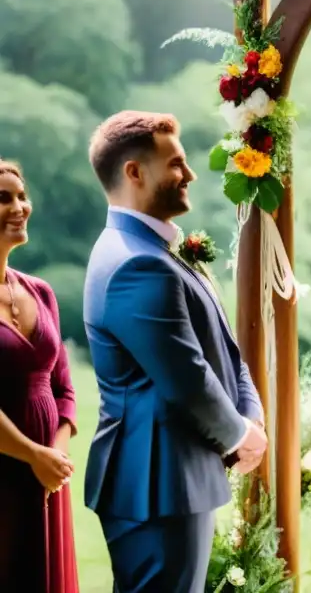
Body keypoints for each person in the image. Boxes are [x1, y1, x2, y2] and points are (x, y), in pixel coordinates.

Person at [82, 111, 267, 593]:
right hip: (155, 481)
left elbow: (221, 344)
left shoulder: (154, 251)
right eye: (177, 163)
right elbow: (185, 376)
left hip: (171, 477)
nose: (189, 174)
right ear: (134, 172)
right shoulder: (135, 263)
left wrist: (252, 415)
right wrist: (238, 435)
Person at [0, 159, 79, 592]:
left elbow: (64, 387)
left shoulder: (40, 291)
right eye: (4, 198)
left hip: (48, 477)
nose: (20, 206)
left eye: (22, 195)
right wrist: (32, 455)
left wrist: (55, 460)